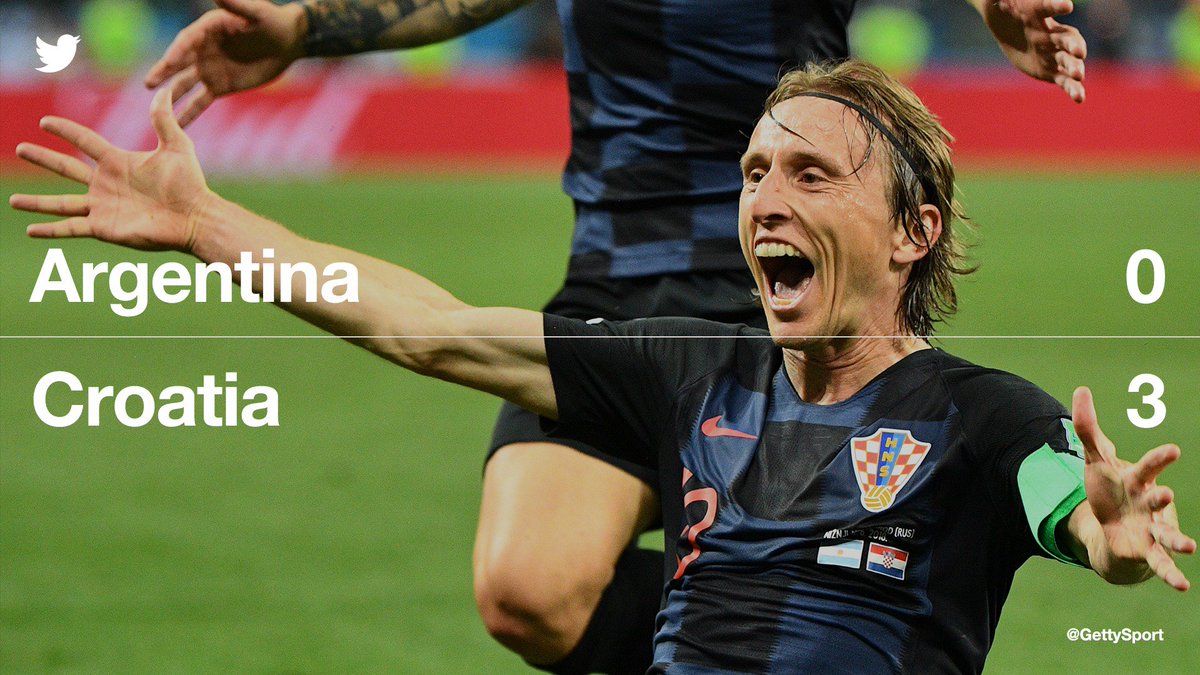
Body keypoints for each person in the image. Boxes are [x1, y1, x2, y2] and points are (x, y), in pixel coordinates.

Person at [10, 57, 1193, 673]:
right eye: (754, 174)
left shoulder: (988, 418)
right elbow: (425, 326)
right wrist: (210, 226)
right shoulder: (690, 372)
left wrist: (1108, 534)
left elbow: (1073, 509)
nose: (764, 200)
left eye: (811, 175)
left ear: (911, 232)